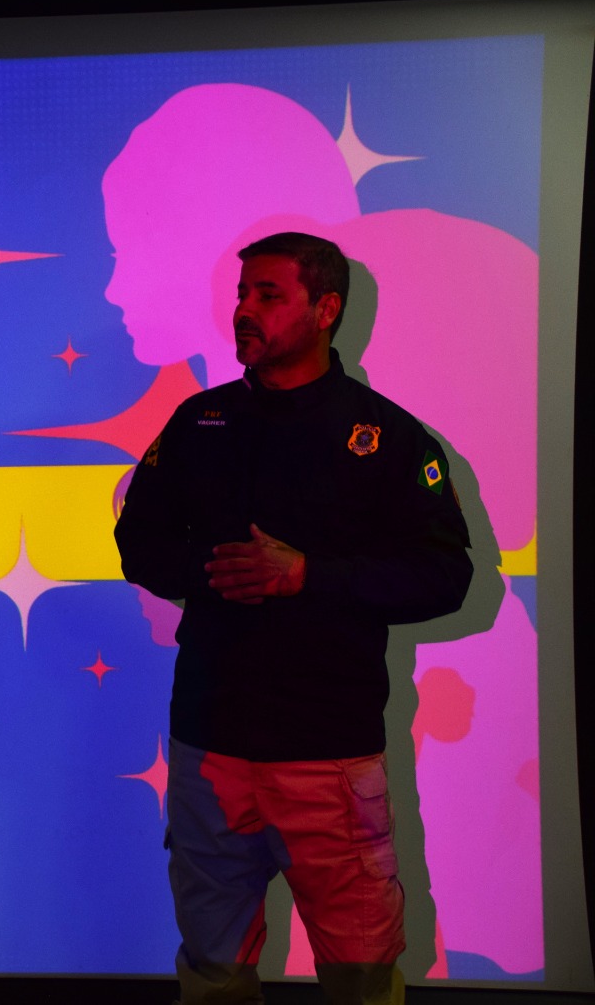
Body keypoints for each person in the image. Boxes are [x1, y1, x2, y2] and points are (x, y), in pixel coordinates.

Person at [113, 232, 473, 1005]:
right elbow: (138, 542)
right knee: (213, 975)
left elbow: (446, 575)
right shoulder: (200, 422)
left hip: (329, 756)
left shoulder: (387, 438)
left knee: (360, 976)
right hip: (211, 748)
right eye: (242, 293)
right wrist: (215, 572)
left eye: (268, 295)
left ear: (326, 309)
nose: (244, 309)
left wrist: (308, 576)